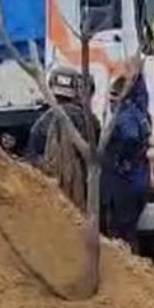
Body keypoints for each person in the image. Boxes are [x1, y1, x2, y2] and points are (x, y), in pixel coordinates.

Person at [25, 66, 100, 211]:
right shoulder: (88, 120)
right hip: (82, 192)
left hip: (51, 192)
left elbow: (32, 158)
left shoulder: (41, 122)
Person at [100, 75, 151, 253]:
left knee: (122, 230)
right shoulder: (139, 112)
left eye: (113, 97)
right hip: (138, 178)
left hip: (125, 182)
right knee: (128, 230)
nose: (111, 102)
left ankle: (129, 268)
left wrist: (121, 161)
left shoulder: (125, 116)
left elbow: (130, 137)